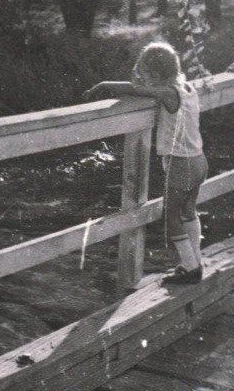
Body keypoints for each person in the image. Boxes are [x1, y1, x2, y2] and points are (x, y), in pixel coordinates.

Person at [86, 42, 208, 284]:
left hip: (181, 163)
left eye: (147, 76)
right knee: (188, 212)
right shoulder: (187, 88)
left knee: (171, 215)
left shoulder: (167, 92)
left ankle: (191, 266)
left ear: (156, 75)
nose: (144, 82)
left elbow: (136, 90)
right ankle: (196, 261)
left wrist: (105, 85)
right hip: (199, 160)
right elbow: (142, 88)